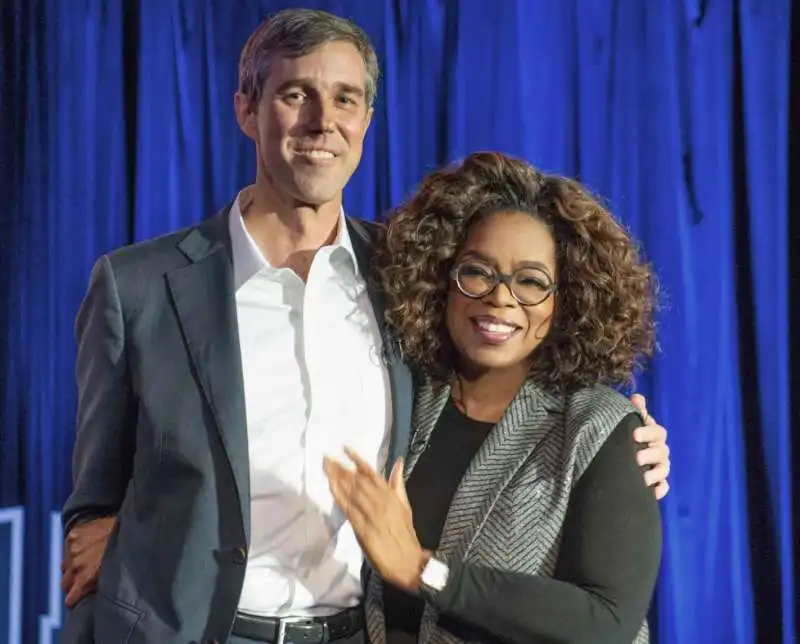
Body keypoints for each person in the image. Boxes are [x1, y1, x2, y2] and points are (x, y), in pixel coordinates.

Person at [59, 9, 670, 644]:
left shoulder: (406, 281)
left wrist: (629, 444)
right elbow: (92, 502)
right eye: (296, 94)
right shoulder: (138, 287)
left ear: (365, 122)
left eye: (344, 99)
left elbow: (507, 372)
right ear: (246, 109)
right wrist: (114, 535)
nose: (322, 122)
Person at [323, 152, 662, 643]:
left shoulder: (598, 428)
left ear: (566, 299)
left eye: (530, 281)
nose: (501, 299)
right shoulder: (405, 400)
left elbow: (607, 621)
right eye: (478, 272)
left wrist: (424, 570)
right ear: (442, 278)